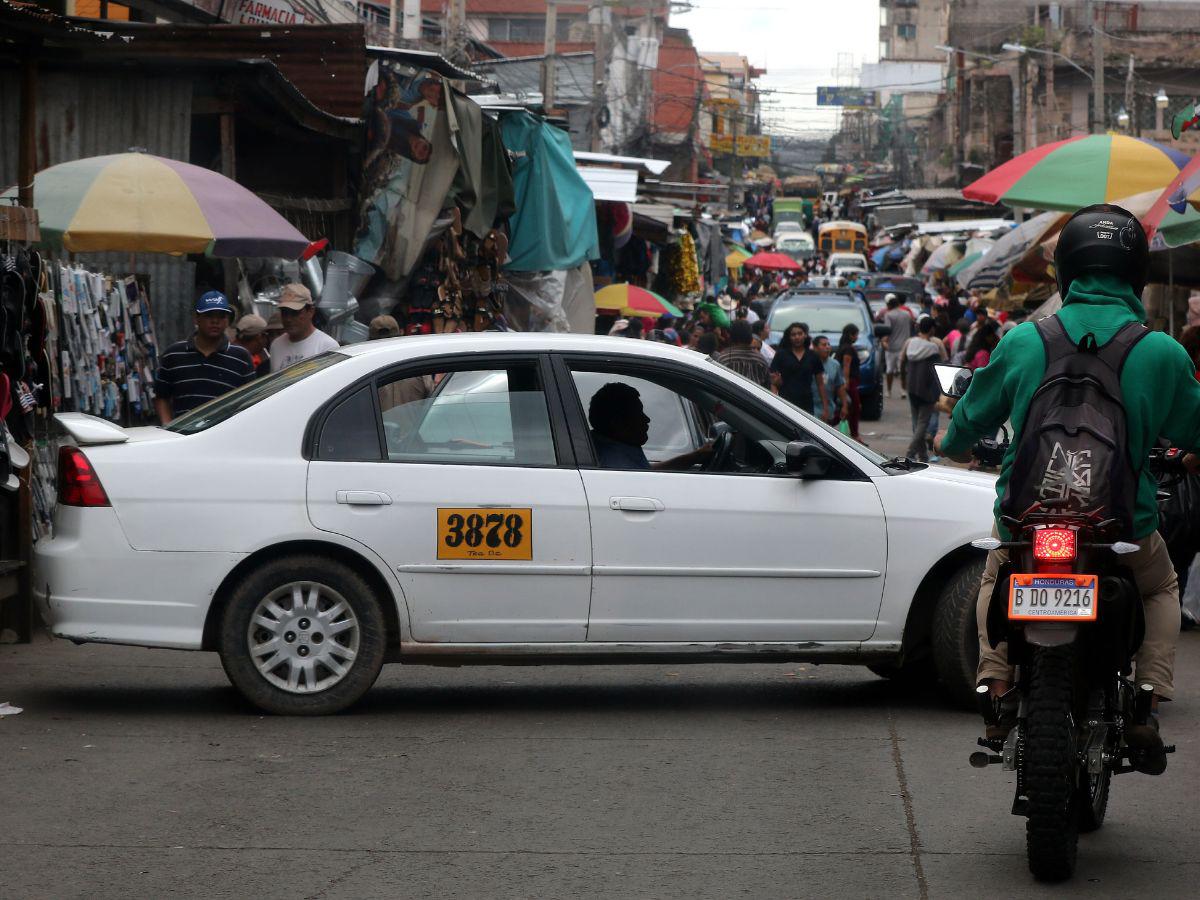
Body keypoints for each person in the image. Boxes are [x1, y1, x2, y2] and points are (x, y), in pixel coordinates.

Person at [936, 204, 1200, 757]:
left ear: (1067, 272)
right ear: (1135, 273)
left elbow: (969, 421)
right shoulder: (1161, 352)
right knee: (1160, 586)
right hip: (1123, 520)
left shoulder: (1024, 340)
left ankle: (998, 682)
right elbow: (1193, 428)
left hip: (1026, 516)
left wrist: (949, 444)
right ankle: (1148, 699)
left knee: (995, 574)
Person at [154, 291, 254, 424]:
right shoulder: (174, 354)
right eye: (209, 315)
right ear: (196, 318)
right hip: (183, 436)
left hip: (225, 437)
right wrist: (167, 426)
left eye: (221, 316)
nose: (215, 321)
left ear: (227, 320)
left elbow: (250, 402)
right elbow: (161, 396)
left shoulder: (241, 358)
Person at [588, 382, 713, 470]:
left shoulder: (609, 449)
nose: (647, 419)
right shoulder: (618, 465)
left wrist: (695, 456)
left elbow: (647, 471)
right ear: (617, 424)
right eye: (638, 414)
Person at [899, 316, 945, 462]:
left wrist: (903, 381)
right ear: (931, 329)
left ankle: (923, 456)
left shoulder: (910, 344)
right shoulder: (933, 348)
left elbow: (902, 363)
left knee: (916, 424)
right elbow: (939, 369)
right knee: (922, 425)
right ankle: (910, 452)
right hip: (927, 391)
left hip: (912, 388)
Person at [269, 284, 339, 372]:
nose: (288, 319)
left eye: (294, 313)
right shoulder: (276, 345)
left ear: (310, 311)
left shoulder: (327, 346)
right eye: (284, 313)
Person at [770, 322, 827, 415]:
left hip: (806, 402)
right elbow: (773, 381)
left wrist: (825, 407)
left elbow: (820, 384)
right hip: (786, 401)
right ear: (789, 337)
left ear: (805, 335)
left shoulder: (813, 356)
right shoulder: (781, 354)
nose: (797, 337)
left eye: (800, 334)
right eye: (793, 335)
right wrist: (774, 401)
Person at [715, 319, 771, 389]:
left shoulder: (723, 358)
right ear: (751, 337)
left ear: (732, 336)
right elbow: (767, 388)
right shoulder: (761, 360)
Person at [812, 335, 849, 424]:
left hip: (828, 409)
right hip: (809, 409)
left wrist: (844, 405)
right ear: (815, 348)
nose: (827, 347)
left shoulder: (835, 365)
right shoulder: (809, 362)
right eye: (824, 345)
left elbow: (839, 386)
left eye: (828, 344)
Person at [882, 294, 914, 398]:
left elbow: (887, 330)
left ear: (889, 305)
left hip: (891, 347)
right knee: (903, 370)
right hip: (904, 346)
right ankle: (903, 390)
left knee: (889, 370)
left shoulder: (888, 315)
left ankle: (889, 391)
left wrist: (884, 342)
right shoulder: (907, 314)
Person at [836, 323, 863, 441]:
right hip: (850, 382)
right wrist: (846, 382)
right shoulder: (848, 349)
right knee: (855, 406)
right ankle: (855, 434)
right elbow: (846, 365)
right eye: (856, 335)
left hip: (851, 381)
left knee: (851, 406)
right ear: (851, 335)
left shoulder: (842, 347)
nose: (857, 337)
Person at [233, 314, 271, 378]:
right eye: (266, 335)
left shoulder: (227, 351)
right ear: (259, 337)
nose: (268, 339)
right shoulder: (243, 360)